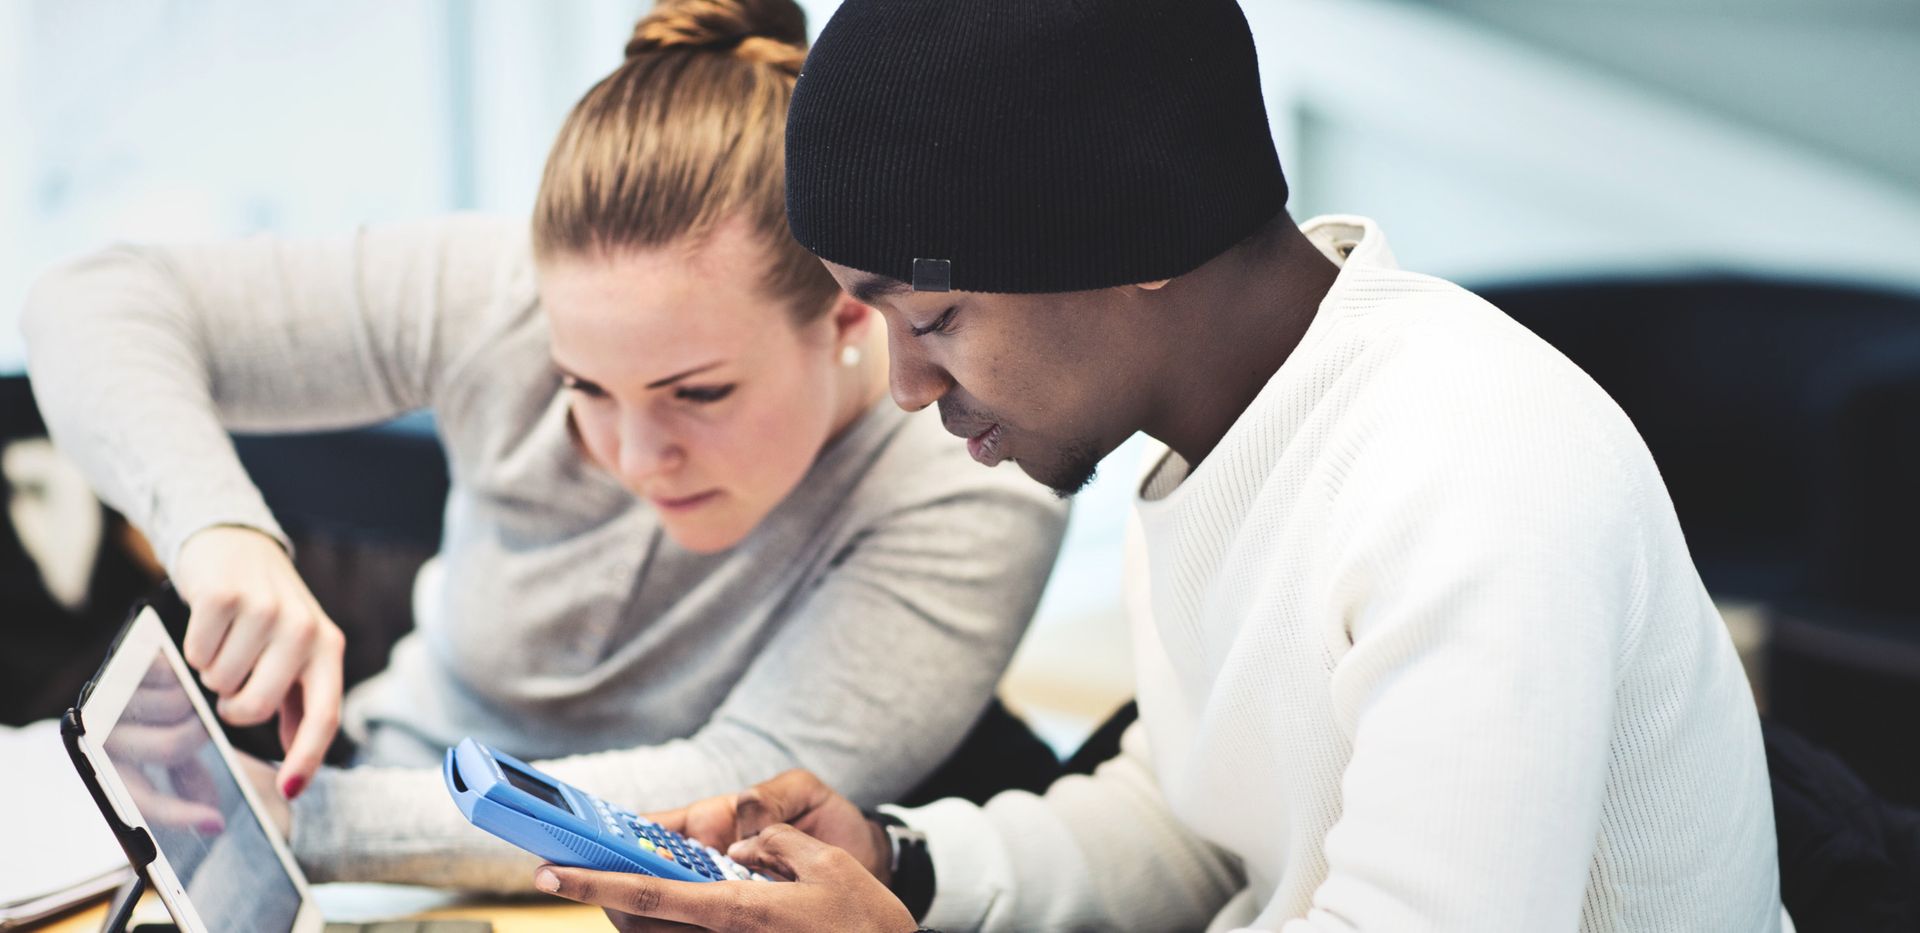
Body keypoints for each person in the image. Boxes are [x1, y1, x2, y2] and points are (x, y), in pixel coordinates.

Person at [529, 0, 1783, 930]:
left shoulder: (1473, 471)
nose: (909, 388)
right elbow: (1194, 826)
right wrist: (902, 864)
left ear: (1135, 228)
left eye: (935, 319)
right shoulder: (1221, 435)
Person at [19, 0, 1066, 892]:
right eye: (581, 389)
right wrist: (220, 534)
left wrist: (307, 824)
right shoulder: (497, 292)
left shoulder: (975, 480)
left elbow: (740, 784)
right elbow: (87, 304)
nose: (631, 454)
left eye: (695, 392)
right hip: (371, 797)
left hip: (551, 867)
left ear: (846, 318)